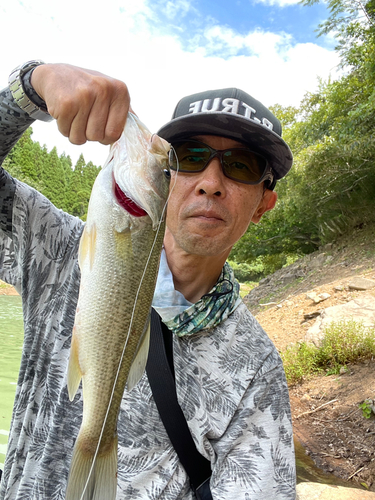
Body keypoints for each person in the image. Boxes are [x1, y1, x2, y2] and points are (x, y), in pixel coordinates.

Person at [0, 61, 296, 499]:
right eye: (189, 157)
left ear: (262, 205)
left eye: (242, 166)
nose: (211, 183)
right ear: (169, 177)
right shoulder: (61, 250)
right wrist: (29, 88)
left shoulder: (256, 368)